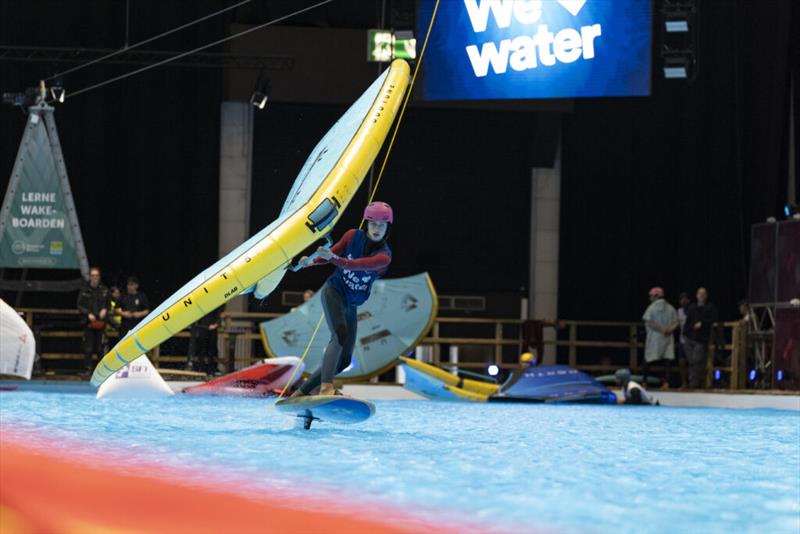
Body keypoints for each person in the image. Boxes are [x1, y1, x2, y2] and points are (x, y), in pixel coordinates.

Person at [291, 201, 393, 397]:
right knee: (340, 333)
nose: (377, 228)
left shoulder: (384, 256)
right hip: (334, 291)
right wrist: (309, 263)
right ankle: (326, 387)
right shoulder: (352, 235)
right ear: (367, 223)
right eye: (373, 223)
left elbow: (355, 265)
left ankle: (301, 393)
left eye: (382, 225)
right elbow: (333, 252)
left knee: (345, 360)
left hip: (351, 304)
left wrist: (332, 258)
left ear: (387, 228)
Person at [642, 287, 678, 388]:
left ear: (657, 296)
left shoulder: (651, 308)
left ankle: (644, 382)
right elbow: (676, 322)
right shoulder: (670, 307)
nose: (650, 298)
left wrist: (661, 330)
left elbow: (649, 321)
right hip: (667, 337)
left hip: (654, 337)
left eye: (651, 296)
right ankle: (666, 382)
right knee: (667, 360)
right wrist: (668, 330)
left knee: (648, 359)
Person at [76, 267, 111, 372]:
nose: (95, 278)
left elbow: (109, 304)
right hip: (88, 323)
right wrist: (88, 314)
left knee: (101, 348)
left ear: (99, 277)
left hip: (101, 323)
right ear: (90, 277)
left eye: (97, 276)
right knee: (88, 348)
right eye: (93, 276)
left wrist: (105, 309)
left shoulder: (105, 290)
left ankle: (101, 371)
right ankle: (87, 370)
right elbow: (79, 305)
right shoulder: (84, 290)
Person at [683, 287, 718, 389]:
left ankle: (695, 383)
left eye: (704, 294)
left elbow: (713, 319)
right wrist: (686, 333)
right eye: (700, 294)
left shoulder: (710, 307)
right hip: (689, 337)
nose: (701, 296)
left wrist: (702, 324)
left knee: (697, 360)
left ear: (706, 296)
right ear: (697, 295)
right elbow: (688, 322)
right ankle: (693, 381)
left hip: (701, 338)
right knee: (691, 361)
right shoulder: (692, 307)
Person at [187, 307, 221, 374]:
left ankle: (211, 369)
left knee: (211, 350)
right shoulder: (202, 307)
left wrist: (215, 325)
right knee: (202, 349)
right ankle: (201, 369)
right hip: (202, 328)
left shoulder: (215, 307)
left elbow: (218, 317)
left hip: (212, 329)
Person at [676, 292, 691, 388]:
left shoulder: (692, 310)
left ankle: (692, 382)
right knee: (681, 361)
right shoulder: (679, 311)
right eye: (681, 299)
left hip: (691, 340)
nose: (683, 301)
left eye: (685, 299)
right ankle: (684, 382)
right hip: (682, 340)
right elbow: (677, 323)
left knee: (691, 362)